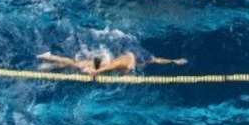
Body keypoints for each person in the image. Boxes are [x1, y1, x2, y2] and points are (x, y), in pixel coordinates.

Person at [37, 51, 186, 76]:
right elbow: (110, 67)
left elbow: (156, 60)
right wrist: (95, 72)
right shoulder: (128, 62)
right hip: (101, 63)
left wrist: (174, 61)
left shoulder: (132, 60)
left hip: (103, 61)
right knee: (76, 65)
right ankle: (50, 57)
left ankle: (51, 65)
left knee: (76, 65)